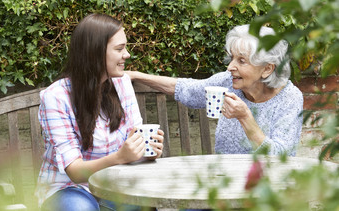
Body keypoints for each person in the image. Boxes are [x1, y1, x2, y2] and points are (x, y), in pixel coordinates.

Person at [35, 13, 164, 211]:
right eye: (119, 49)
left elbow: (133, 142)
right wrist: (120, 157)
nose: (127, 54)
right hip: (69, 188)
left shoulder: (122, 85)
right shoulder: (56, 97)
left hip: (115, 185)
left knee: (144, 205)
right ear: (95, 52)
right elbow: (75, 172)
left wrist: (146, 151)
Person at [127, 24, 303, 157]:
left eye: (241, 61)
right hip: (223, 183)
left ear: (267, 69)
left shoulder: (289, 98)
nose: (230, 67)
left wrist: (245, 117)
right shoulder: (228, 82)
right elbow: (186, 89)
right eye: (232, 58)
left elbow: (281, 157)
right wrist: (136, 75)